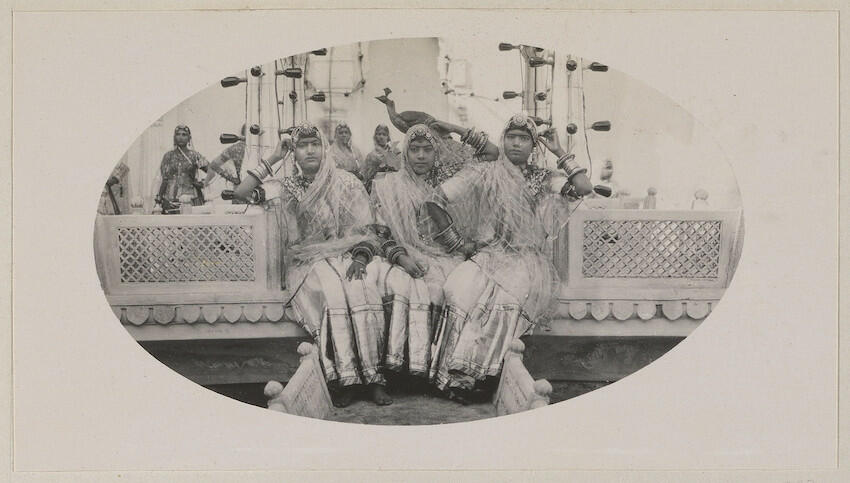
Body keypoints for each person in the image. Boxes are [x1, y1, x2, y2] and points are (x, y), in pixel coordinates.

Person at [426, 114, 593, 402]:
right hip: (488, 254)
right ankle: (449, 375)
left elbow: (583, 188)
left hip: (523, 258)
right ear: (503, 140)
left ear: (533, 145)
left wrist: (559, 151)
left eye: (524, 138)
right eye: (511, 137)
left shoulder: (540, 177)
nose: (516, 143)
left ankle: (483, 377)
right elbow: (435, 199)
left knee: (504, 302)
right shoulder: (485, 171)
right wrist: (457, 243)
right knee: (458, 291)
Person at [232, 122, 391, 408]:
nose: (309, 150)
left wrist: (358, 258)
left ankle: (374, 378)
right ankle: (343, 380)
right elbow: (240, 193)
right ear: (294, 152)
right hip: (306, 263)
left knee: (362, 289)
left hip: (345, 257)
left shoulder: (345, 181)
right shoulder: (286, 187)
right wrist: (273, 158)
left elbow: (366, 229)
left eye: (314, 144)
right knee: (331, 292)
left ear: (323, 147)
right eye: (302, 145)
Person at [369, 123, 491, 379]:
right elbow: (379, 232)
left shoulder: (447, 182)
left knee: (456, 290)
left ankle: (442, 370)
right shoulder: (387, 185)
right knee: (408, 288)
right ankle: (404, 370)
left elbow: (492, 156)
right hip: (401, 256)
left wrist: (455, 128)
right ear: (405, 153)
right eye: (415, 150)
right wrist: (402, 258)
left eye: (427, 150)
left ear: (437, 153)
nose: (421, 156)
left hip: (444, 256)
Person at [155, 125, 209, 212]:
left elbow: (211, 171)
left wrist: (202, 183)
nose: (180, 137)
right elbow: (164, 180)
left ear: (189, 138)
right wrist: (159, 199)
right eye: (178, 134)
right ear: (174, 137)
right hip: (170, 200)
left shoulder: (194, 155)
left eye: (184, 135)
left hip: (191, 198)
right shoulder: (168, 156)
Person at [204, 123, 246, 191]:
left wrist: (232, 179)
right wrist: (232, 179)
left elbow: (214, 165)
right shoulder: (236, 148)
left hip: (241, 190)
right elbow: (214, 165)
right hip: (244, 189)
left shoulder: (235, 148)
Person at [360, 124, 402, 192]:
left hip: (392, 186)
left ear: (388, 137)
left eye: (384, 134)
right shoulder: (371, 156)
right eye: (379, 134)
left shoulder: (395, 151)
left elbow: (399, 170)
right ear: (375, 136)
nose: (381, 137)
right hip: (376, 187)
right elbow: (366, 176)